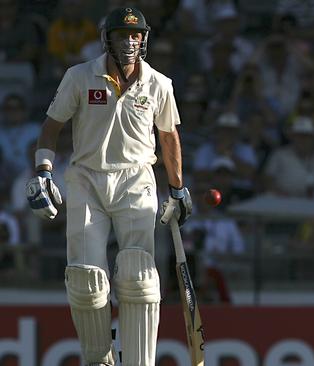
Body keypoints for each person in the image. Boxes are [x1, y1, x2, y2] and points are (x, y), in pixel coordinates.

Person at [25, 7, 192, 366]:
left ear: (144, 39)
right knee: (85, 278)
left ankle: (138, 362)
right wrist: (43, 171)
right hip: (86, 178)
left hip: (136, 180)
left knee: (139, 276)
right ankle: (98, 360)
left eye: (135, 35)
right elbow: (52, 126)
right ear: (108, 39)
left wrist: (178, 190)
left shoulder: (159, 84)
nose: (129, 42)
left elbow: (169, 136)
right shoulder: (80, 76)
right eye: (122, 35)